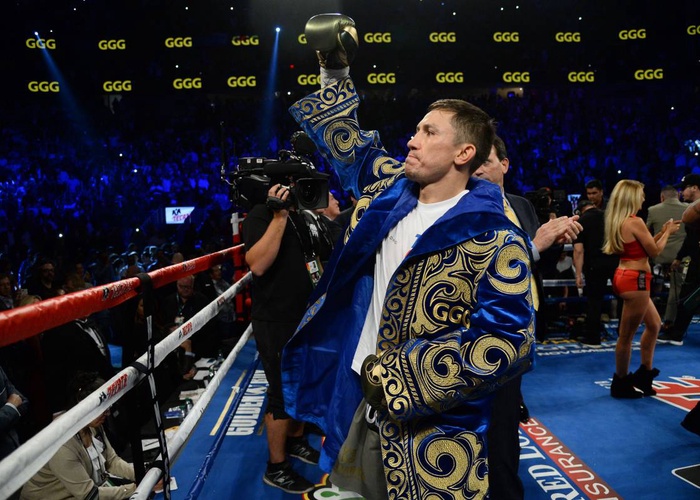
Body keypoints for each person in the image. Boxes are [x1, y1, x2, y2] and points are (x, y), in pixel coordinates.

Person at [281, 14, 536, 499]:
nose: (412, 139)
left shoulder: (495, 237)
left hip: (437, 429)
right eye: (416, 129)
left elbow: (507, 343)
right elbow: (348, 141)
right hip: (358, 399)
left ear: (464, 153)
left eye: (428, 132)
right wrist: (334, 69)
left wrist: (403, 380)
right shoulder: (389, 192)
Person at [472, 135, 581, 499]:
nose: (477, 169)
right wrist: (535, 246)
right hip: (483, 329)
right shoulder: (461, 207)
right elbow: (479, 269)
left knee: (505, 418)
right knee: (493, 424)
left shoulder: (520, 204)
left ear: (505, 164)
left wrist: (555, 242)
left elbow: (538, 266)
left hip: (523, 324)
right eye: (473, 163)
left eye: (486, 161)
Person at [241, 178, 334, 491]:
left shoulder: (302, 217)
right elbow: (258, 264)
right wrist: (279, 215)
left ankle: (295, 440)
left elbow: (315, 258)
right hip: (276, 319)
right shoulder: (261, 214)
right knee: (281, 391)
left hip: (304, 314)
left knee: (302, 383)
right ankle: (276, 466)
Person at [602, 179, 680, 398]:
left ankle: (644, 374)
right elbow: (654, 252)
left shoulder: (620, 220)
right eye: (641, 195)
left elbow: (643, 248)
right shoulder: (634, 221)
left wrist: (661, 233)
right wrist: (668, 232)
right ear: (633, 197)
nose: (644, 198)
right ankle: (621, 382)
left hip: (627, 276)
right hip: (635, 281)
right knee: (626, 336)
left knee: (654, 325)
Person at [20, 372, 138, 500]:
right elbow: (89, 495)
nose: (108, 413)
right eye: (102, 407)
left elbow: (112, 461)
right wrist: (134, 489)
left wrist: (141, 475)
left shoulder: (93, 424)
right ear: (83, 406)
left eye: (108, 406)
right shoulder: (61, 445)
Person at [658, 174, 700, 345]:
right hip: (696, 257)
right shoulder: (692, 208)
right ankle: (676, 332)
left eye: (684, 188)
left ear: (695, 188)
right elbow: (691, 239)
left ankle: (676, 334)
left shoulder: (695, 209)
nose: (681, 192)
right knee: (687, 295)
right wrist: (679, 257)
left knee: (687, 295)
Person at [573, 199, 620, 347]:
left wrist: (578, 274)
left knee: (594, 301)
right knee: (622, 298)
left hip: (594, 265)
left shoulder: (581, 221)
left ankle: (593, 338)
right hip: (615, 262)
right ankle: (624, 335)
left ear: (580, 210)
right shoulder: (610, 217)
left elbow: (578, 250)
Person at [645, 185, 687, 330]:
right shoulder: (688, 208)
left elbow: (645, 233)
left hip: (658, 256)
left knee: (650, 284)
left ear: (662, 197)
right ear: (677, 196)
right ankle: (669, 321)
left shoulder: (653, 210)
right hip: (681, 257)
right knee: (676, 289)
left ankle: (646, 315)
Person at [0, 364, 28, 461]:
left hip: (15, 449)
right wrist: (11, 407)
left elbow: (21, 400)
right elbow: (14, 403)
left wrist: (7, 415)